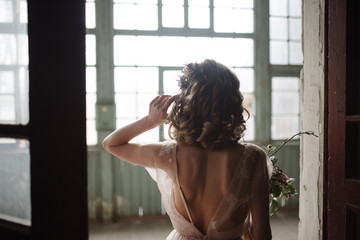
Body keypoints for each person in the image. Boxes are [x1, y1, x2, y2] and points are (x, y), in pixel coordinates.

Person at [102, 59, 272, 240]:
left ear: (186, 102)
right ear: (232, 102)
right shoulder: (253, 157)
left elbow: (111, 144)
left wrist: (149, 121)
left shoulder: (167, 154)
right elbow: (262, 233)